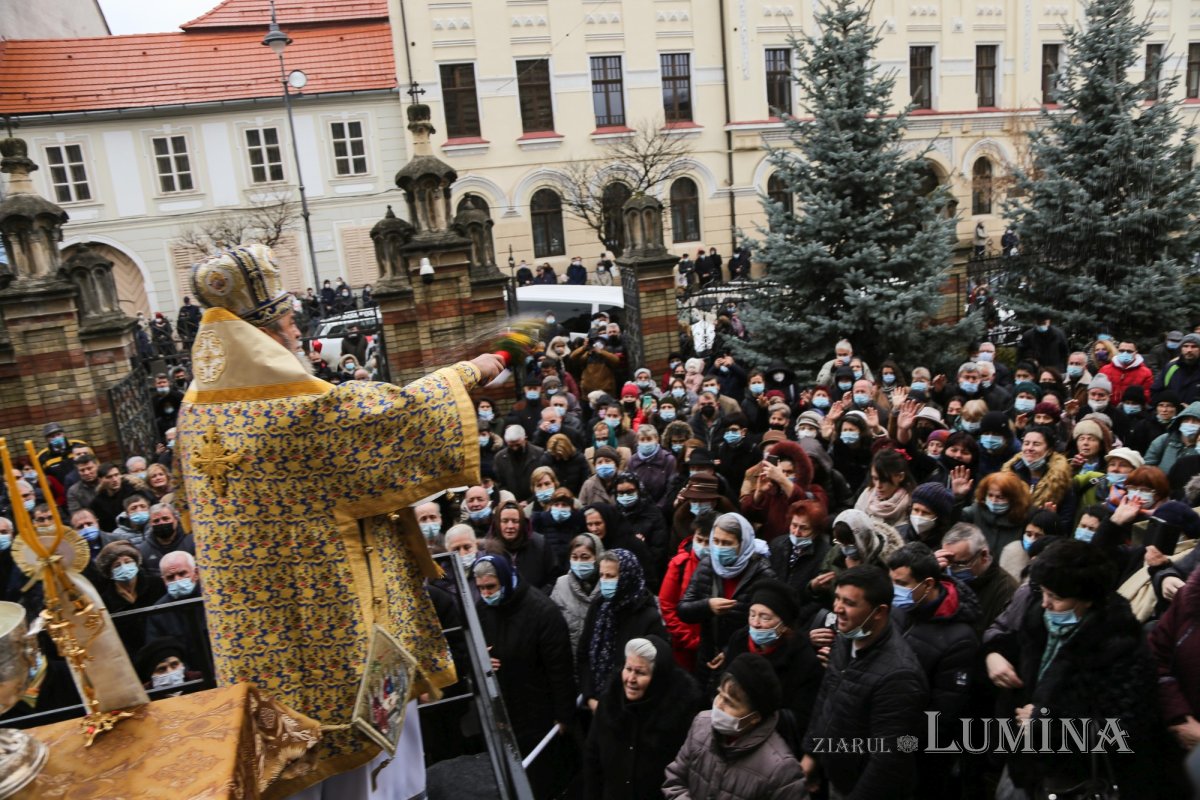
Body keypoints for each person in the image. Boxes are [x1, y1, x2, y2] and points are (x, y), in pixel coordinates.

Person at [176, 244, 507, 792]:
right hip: (334, 648)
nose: (298, 333)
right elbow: (394, 421)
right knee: (366, 779)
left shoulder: (197, 410)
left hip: (256, 654)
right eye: (288, 321)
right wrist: (470, 371)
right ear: (262, 333)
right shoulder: (290, 412)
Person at [983, 539, 1163, 797]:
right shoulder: (1039, 617)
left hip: (1071, 779)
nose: (1045, 603)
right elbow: (1006, 641)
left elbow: (1121, 731)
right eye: (1043, 592)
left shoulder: (1121, 646)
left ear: (1087, 600)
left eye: (1055, 597)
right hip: (1022, 764)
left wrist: (1047, 722)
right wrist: (994, 654)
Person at [802, 566, 928, 800]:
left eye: (848, 603)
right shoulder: (846, 636)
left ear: (879, 611)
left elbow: (888, 759)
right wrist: (811, 754)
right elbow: (826, 697)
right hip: (836, 774)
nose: (837, 608)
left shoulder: (899, 676)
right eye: (837, 598)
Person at [473, 552, 576, 796]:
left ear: (506, 580)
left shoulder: (542, 611)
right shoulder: (483, 609)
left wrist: (563, 715)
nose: (486, 594)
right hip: (502, 708)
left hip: (537, 710)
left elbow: (559, 667)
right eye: (481, 589)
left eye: (491, 587)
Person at [663, 652, 806, 798]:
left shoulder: (781, 770)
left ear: (754, 717)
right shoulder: (701, 724)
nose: (718, 705)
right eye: (720, 694)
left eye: (730, 702)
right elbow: (675, 780)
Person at [584, 635, 704, 800]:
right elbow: (593, 757)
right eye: (628, 669)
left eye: (640, 672)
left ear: (657, 677)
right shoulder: (609, 703)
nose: (631, 679)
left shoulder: (681, 714)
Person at [677, 512, 777, 686]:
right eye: (716, 542)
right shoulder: (708, 565)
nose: (719, 548)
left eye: (727, 543)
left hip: (743, 661)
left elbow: (769, 623)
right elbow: (684, 609)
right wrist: (707, 606)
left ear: (742, 544)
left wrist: (731, 650)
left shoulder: (762, 574)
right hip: (707, 655)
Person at [578, 548, 667, 707]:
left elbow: (653, 669)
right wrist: (590, 697)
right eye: (602, 575)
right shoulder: (599, 606)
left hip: (627, 707)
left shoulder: (648, 616)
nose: (605, 581)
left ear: (627, 577)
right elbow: (583, 653)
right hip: (595, 704)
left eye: (611, 576)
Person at [660, 512, 712, 672]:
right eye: (699, 540)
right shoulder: (679, 564)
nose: (702, 547)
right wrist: (689, 639)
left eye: (707, 542)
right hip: (684, 647)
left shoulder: (725, 568)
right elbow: (667, 605)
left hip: (713, 648)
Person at [144, 550, 209, 671]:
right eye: (170, 577)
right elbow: (160, 654)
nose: (177, 580)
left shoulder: (211, 600)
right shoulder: (158, 612)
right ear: (164, 580)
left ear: (196, 573)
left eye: (182, 573)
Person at [551, 532, 604, 658]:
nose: (579, 562)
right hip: (569, 657)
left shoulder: (608, 584)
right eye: (574, 557)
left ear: (597, 558)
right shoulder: (561, 584)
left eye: (585, 557)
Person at [137, 502, 194, 578]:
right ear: (150, 524)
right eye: (156, 521)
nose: (161, 523)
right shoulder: (143, 550)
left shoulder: (192, 542)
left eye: (165, 519)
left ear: (176, 520)